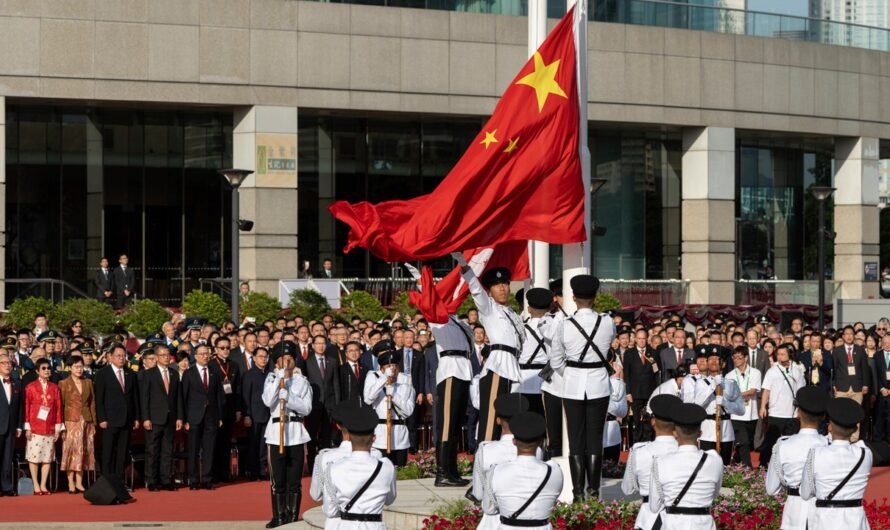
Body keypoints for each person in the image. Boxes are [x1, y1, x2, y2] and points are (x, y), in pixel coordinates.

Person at [547, 274, 614, 500]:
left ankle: (578, 493)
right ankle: (593, 492)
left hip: (573, 385)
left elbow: (556, 360)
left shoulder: (565, 325)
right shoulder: (607, 322)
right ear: (595, 297)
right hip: (599, 384)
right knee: (595, 438)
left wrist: (572, 373)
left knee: (575, 439)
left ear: (574, 298)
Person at [455, 255, 524, 446]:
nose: (502, 288)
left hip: (513, 368)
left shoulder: (512, 313)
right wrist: (464, 265)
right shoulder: (489, 308)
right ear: (490, 291)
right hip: (497, 368)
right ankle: (483, 468)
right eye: (496, 285)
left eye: (505, 284)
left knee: (509, 421)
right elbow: (476, 291)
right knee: (490, 421)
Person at [800, 398, 873, 530]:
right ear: (855, 428)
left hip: (825, 521)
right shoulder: (865, 454)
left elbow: (805, 493)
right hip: (855, 522)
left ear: (829, 427)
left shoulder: (816, 453)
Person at [648, 403, 724, 530]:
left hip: (672, 524)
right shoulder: (715, 460)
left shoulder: (660, 462)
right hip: (703, 524)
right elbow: (714, 494)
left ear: (675, 433)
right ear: (700, 433)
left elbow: (654, 506)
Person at [482, 411, 563, 529]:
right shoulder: (555, 471)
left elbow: (489, 509)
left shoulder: (496, 472)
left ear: (514, 441)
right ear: (541, 442)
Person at [765, 386, 830, 530]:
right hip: (822, 512)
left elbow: (771, 488)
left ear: (798, 412)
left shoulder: (783, 445)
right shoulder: (828, 445)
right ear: (823, 416)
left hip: (794, 511)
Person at [323, 405, 396, 528]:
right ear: (374, 438)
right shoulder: (387, 467)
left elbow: (330, 510)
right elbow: (390, 499)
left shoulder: (334, 468)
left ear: (349, 437)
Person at [264, 341, 312, 528]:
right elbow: (268, 400)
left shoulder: (302, 382)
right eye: (283, 360)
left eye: (290, 359)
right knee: (278, 481)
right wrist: (279, 381)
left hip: (296, 433)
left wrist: (289, 398)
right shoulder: (270, 379)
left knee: (294, 480)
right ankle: (279, 516)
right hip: (276, 434)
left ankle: (292, 515)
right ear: (276, 363)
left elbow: (306, 408)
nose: (287, 363)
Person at [470, 394, 533, 530]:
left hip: (495, 521)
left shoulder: (485, 450)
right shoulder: (537, 451)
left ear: (498, 420)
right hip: (530, 520)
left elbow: (478, 494)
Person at [427, 314, 474, 487]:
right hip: (449, 371)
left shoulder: (458, 320)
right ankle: (442, 473)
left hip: (463, 369)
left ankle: (452, 471)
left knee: (455, 424)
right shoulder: (437, 317)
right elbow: (427, 302)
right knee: (447, 425)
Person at [622, 394, 681, 530]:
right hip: (681, 519)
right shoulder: (687, 453)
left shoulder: (639, 451)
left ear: (653, 422)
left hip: (648, 518)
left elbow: (627, 489)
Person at [684, 347, 744, 465]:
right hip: (706, 431)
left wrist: (726, 403)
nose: (714, 362)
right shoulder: (700, 383)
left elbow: (741, 409)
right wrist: (712, 386)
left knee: (725, 466)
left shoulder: (731, 383)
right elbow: (697, 404)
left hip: (726, 431)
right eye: (710, 359)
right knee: (705, 465)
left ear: (723, 363)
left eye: (717, 359)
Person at [182, 343, 225, 490]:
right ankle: (193, 479)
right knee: (193, 449)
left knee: (209, 449)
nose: (205, 356)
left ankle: (207, 478)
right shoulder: (189, 373)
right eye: (201, 354)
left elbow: (219, 395)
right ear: (195, 356)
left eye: (207, 354)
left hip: (211, 416)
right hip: (194, 416)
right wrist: (185, 418)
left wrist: (219, 416)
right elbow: (184, 397)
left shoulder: (215, 372)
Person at [140, 344, 182, 491]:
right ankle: (151, 480)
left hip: (170, 418)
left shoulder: (174, 373)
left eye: (168, 355)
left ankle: (166, 480)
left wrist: (179, 417)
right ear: (156, 357)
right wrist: (146, 418)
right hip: (154, 418)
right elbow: (144, 398)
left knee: (167, 450)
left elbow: (178, 398)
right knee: (152, 450)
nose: (166, 357)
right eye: (163, 355)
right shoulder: (148, 374)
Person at [364, 343, 414, 467]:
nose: (392, 369)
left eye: (395, 366)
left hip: (400, 435)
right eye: (388, 366)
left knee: (401, 473)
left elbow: (408, 411)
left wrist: (393, 394)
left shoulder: (405, 382)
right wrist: (384, 379)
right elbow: (368, 399)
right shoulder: (373, 377)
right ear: (382, 368)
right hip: (380, 435)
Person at [94, 344, 138, 485]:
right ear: (110, 357)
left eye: (123, 356)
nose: (121, 358)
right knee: (108, 451)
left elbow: (134, 397)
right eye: (118, 356)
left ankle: (119, 481)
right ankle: (106, 481)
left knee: (122, 452)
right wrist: (101, 418)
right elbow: (99, 398)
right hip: (109, 419)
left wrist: (136, 417)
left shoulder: (130, 374)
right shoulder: (102, 374)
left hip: (127, 419)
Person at [759, 343, 804, 466]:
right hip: (775, 412)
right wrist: (763, 406)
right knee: (771, 440)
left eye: (783, 354)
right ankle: (763, 463)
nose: (780, 357)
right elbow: (766, 390)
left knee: (790, 442)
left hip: (791, 413)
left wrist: (799, 410)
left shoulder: (797, 370)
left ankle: (788, 464)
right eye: (778, 354)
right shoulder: (772, 371)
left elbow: (800, 391)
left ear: (789, 355)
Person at [24, 358, 63, 495]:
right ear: (37, 371)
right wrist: (27, 427)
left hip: (50, 427)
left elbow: (58, 408)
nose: (47, 371)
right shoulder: (30, 387)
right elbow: (26, 407)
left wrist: (58, 428)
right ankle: (35, 484)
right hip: (35, 427)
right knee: (34, 457)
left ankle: (43, 484)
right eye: (44, 368)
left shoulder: (55, 387)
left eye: (48, 368)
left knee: (47, 457)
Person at [59, 355, 96, 494]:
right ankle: (70, 483)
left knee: (83, 452)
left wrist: (93, 422)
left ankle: (80, 482)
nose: (79, 369)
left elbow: (92, 403)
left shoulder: (88, 382)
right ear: (70, 368)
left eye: (81, 366)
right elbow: (60, 405)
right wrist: (61, 425)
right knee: (71, 452)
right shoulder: (63, 383)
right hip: (70, 421)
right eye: (76, 367)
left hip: (86, 421)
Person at [515, 288, 554, 417]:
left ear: (529, 309)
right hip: (548, 381)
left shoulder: (520, 329)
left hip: (523, 382)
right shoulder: (557, 327)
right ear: (549, 307)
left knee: (525, 424)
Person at [304, 334, 337, 480]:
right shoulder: (307, 362)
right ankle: (311, 466)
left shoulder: (332, 361)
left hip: (329, 404)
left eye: (323, 343)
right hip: (313, 404)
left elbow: (336, 384)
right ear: (313, 345)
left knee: (326, 437)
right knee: (312, 437)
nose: (321, 346)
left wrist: (336, 404)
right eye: (318, 343)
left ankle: (325, 466)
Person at [210, 335, 242, 483]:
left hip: (229, 408)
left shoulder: (234, 365)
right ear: (216, 349)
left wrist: (238, 409)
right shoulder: (211, 365)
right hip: (215, 409)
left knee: (226, 442)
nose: (225, 350)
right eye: (222, 348)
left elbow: (237, 389)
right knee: (214, 442)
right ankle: (214, 473)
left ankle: (225, 472)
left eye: (227, 348)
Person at [832, 326, 870, 442]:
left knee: (856, 414)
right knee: (839, 413)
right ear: (843, 336)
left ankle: (853, 439)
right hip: (841, 387)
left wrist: (865, 384)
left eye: (851, 334)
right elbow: (834, 368)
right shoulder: (837, 351)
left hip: (857, 387)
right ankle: (839, 438)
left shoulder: (860, 350)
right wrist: (834, 384)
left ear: (854, 336)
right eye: (846, 334)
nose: (849, 336)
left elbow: (865, 369)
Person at [726, 347, 761, 467]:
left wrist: (737, 394)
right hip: (737, 414)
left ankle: (735, 461)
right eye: (734, 358)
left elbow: (752, 391)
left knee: (746, 442)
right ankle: (748, 468)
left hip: (751, 414)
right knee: (744, 442)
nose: (736, 360)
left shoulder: (755, 372)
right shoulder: (730, 375)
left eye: (739, 358)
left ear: (746, 358)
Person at [624, 328, 660, 445]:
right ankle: (637, 443)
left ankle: (649, 441)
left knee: (649, 419)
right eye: (639, 338)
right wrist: (628, 392)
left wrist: (657, 391)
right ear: (635, 339)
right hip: (635, 393)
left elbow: (656, 373)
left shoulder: (653, 352)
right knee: (637, 420)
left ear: (647, 339)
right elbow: (626, 374)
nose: (641, 341)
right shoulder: (629, 353)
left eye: (643, 338)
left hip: (650, 392)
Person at [242, 346, 271, 481]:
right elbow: (245, 396)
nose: (263, 359)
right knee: (254, 444)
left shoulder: (270, 374)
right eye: (260, 356)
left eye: (265, 356)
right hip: (254, 415)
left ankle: (262, 470)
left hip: (267, 414)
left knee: (263, 445)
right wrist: (247, 414)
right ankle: (253, 471)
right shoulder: (249, 375)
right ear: (254, 358)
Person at [0, 352, 23, 496]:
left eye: (9, 363)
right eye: (3, 363)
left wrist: (19, 425)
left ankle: (6, 487)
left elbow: (20, 406)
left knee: (8, 458)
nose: (7, 366)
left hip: (12, 426)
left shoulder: (16, 382)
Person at [603, 358, 628, 463]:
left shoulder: (619, 383)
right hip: (596, 429)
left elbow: (623, 411)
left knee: (611, 464)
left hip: (613, 427)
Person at [876, 334, 890, 443]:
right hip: (881, 393)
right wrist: (881, 388)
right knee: (880, 418)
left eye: (889, 342)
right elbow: (875, 375)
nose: (887, 345)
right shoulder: (877, 355)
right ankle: (879, 444)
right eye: (885, 342)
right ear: (881, 343)